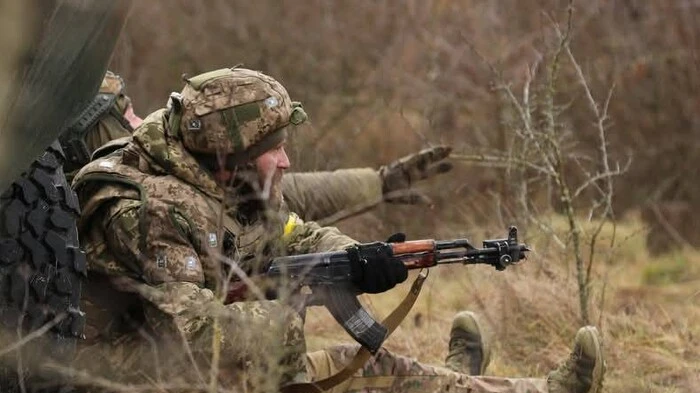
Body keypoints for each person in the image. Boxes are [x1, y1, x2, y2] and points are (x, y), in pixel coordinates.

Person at [70, 67, 606, 393]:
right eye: (273, 147)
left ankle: (473, 389)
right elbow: (193, 333)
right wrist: (284, 316)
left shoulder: (217, 175)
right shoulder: (146, 210)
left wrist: (354, 259)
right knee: (371, 374)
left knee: (371, 373)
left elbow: (292, 234)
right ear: (228, 149)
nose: (285, 160)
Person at [61, 70, 454, 221]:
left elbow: (283, 193)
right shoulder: (130, 206)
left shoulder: (171, 162)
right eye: (116, 115)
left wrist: (378, 182)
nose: (135, 120)